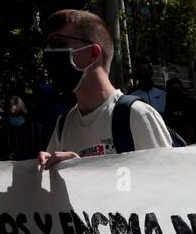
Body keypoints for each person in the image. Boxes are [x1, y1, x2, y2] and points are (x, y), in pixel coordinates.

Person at [38, 9, 174, 167]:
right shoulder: (64, 125)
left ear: (93, 54)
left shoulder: (137, 115)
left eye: (59, 43)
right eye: (48, 46)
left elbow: (164, 185)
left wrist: (83, 172)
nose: (50, 53)